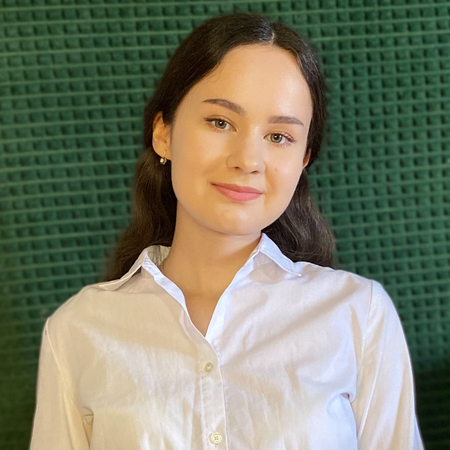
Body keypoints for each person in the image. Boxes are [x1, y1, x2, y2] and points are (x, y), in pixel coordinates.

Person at [29, 12, 425, 450]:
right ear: (163, 134)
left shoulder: (360, 316)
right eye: (220, 122)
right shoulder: (77, 330)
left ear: (303, 160)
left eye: (279, 136)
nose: (248, 160)